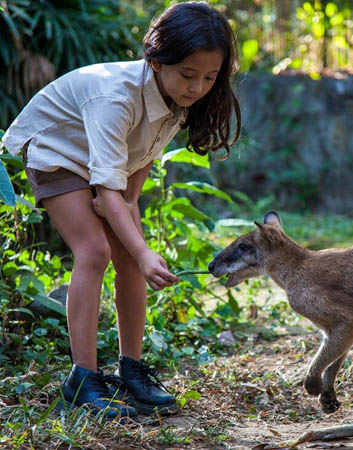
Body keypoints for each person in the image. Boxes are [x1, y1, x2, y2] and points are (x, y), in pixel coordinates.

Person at [2, 1, 241, 419]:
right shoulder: (115, 97)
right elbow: (107, 192)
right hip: (58, 151)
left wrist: (141, 251)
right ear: (156, 59)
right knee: (94, 251)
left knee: (131, 258)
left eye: (209, 77)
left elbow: (126, 190)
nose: (197, 87)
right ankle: (82, 379)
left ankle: (131, 371)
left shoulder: (175, 104)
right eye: (187, 74)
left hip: (105, 171)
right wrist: (143, 248)